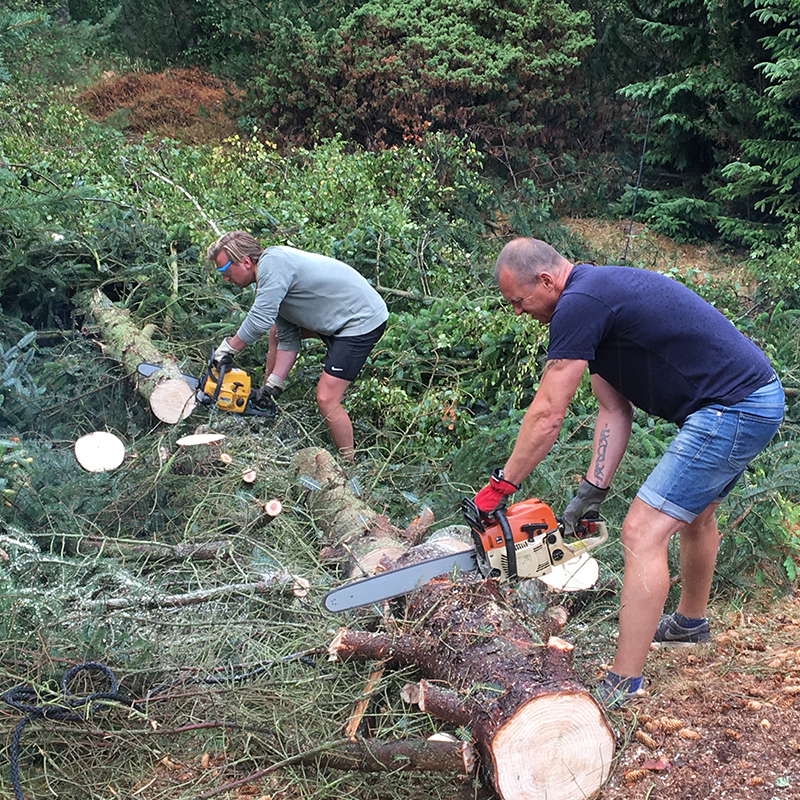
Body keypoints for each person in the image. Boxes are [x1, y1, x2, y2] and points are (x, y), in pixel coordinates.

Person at [473, 237, 783, 708]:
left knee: (642, 533)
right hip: (750, 398)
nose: (517, 311)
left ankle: (623, 683)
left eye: (519, 300)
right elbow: (614, 412)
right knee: (695, 516)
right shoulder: (592, 297)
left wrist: (502, 485)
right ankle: (689, 624)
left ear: (546, 280)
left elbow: (548, 414)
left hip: (731, 408)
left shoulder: (578, 303)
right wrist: (592, 490)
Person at [206, 232, 388, 460]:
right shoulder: (270, 278)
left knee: (326, 398)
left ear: (244, 262)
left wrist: (228, 349)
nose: (225, 278)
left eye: (225, 271)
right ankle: (268, 389)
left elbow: (260, 319)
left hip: (360, 320)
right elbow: (286, 335)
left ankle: (348, 467)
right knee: (276, 332)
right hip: (338, 317)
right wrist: (274, 384)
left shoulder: (273, 264)